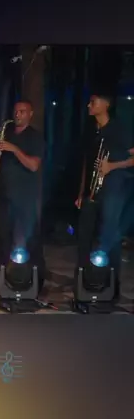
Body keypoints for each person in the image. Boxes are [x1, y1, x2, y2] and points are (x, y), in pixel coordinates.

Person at [75, 93, 134, 298]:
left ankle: (111, 286)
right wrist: (82, 192)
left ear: (106, 105)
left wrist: (112, 166)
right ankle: (83, 282)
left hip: (114, 189)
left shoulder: (119, 129)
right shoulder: (92, 130)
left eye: (93, 102)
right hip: (92, 191)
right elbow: (87, 162)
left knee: (109, 236)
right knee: (84, 235)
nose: (89, 105)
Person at [0, 100, 45, 282]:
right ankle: (1, 271)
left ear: (30, 114)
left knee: (26, 239)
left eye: (22, 111)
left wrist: (14, 149)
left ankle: (32, 277)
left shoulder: (35, 137)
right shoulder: (7, 133)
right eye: (16, 111)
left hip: (24, 196)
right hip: (4, 193)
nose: (17, 115)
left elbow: (33, 165)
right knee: (4, 235)